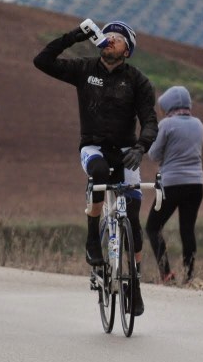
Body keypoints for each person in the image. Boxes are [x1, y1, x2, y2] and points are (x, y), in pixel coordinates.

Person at [33, 20, 157, 315]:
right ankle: (92, 238)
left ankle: (135, 285)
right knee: (98, 173)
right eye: (107, 35)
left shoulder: (138, 81)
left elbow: (150, 120)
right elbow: (42, 61)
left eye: (118, 38)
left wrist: (141, 147)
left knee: (135, 224)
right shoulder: (84, 69)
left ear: (127, 50)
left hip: (127, 152)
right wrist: (75, 36)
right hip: (94, 148)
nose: (110, 40)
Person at [144, 86, 203, 284]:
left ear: (168, 105)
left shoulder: (166, 125)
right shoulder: (199, 124)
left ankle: (166, 273)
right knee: (187, 229)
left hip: (172, 183)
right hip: (196, 184)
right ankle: (189, 276)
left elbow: (153, 154)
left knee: (153, 227)